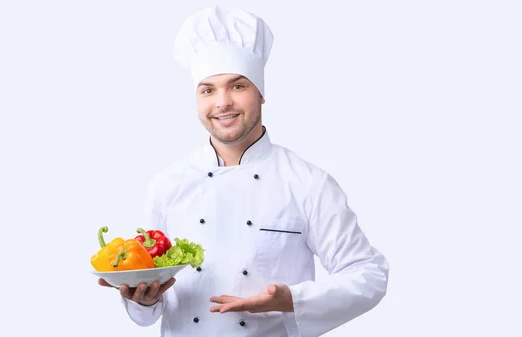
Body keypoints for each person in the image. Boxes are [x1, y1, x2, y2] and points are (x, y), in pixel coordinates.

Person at [98, 5, 389, 337]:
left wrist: (291, 299)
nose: (223, 102)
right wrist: (143, 301)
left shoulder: (307, 183)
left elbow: (369, 274)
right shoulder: (168, 184)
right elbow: (148, 313)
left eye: (237, 86)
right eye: (208, 89)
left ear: (261, 93)